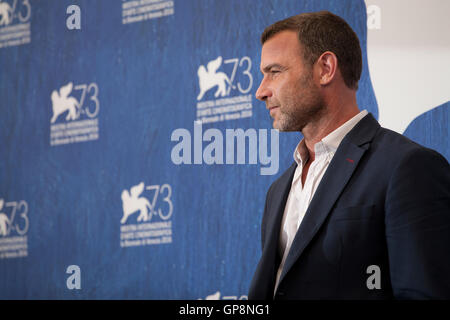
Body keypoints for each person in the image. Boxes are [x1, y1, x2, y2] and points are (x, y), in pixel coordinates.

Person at [248, 11, 450, 300]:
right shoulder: (278, 190)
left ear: (326, 68)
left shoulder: (407, 167)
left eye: (274, 72)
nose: (260, 91)